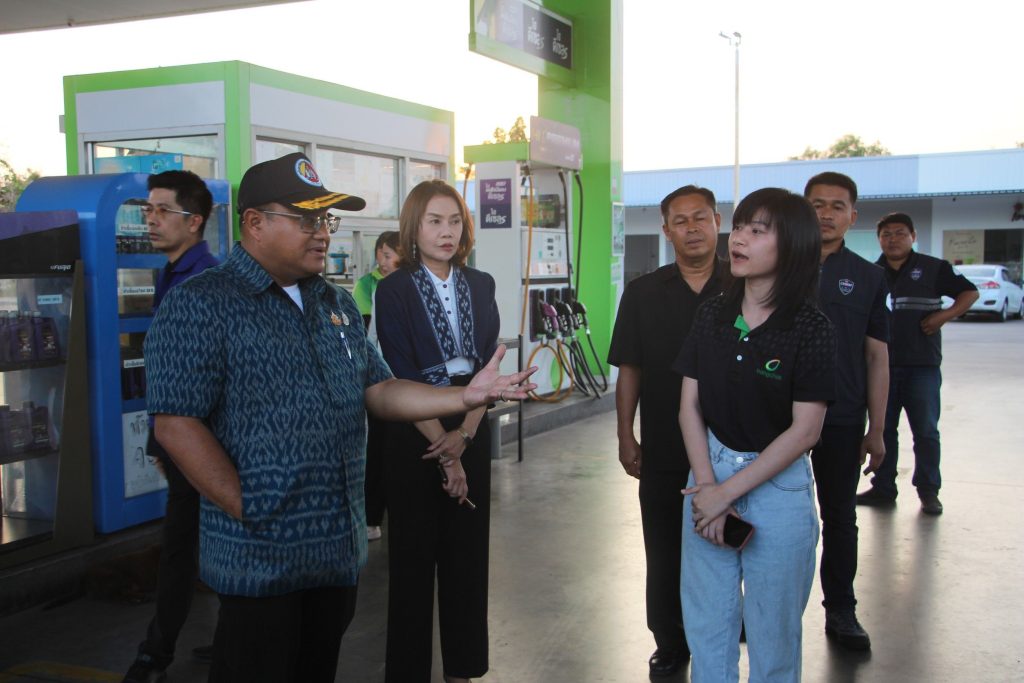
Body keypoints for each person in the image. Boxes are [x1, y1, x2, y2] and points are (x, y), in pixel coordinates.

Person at [143, 154, 534, 683]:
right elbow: (175, 423)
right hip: (260, 562)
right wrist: (247, 506)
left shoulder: (336, 306)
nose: (323, 232)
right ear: (254, 223)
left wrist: (464, 399)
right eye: (306, 219)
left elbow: (381, 389)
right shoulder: (202, 303)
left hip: (334, 558)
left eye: (325, 219)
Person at [674, 187, 836, 682]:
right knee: (708, 628)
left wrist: (725, 494)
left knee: (774, 636)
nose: (738, 238)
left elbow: (806, 431)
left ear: (792, 244)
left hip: (778, 488)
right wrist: (708, 486)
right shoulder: (713, 313)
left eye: (757, 230)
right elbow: (689, 406)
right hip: (708, 473)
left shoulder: (810, 327)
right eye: (739, 227)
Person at [374, 180, 499, 683]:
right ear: (413, 228)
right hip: (414, 436)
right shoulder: (393, 290)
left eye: (454, 222)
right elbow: (398, 374)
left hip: (471, 429)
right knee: (411, 564)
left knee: (467, 559)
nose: (446, 232)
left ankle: (462, 670)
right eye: (434, 222)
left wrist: (464, 438)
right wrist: (446, 452)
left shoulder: (482, 284)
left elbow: (488, 369)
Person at [607, 185, 730, 677]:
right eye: (680, 221)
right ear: (666, 231)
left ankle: (722, 628)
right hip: (663, 444)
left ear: (718, 221)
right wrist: (625, 435)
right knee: (663, 548)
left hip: (733, 447)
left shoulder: (745, 285)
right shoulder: (643, 293)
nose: (692, 228)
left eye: (700, 217)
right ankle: (670, 640)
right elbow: (629, 368)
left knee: (729, 544)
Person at [124, 169, 219, 683]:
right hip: (180, 439)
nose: (151, 219)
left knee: (190, 545)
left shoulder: (208, 281)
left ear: (195, 221)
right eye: (148, 209)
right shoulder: (172, 273)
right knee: (188, 544)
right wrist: (158, 439)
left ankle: (156, 654)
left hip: (206, 442)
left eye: (163, 211)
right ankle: (168, 648)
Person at [803, 172, 889, 651]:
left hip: (841, 418)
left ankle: (841, 610)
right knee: (767, 514)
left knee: (839, 517)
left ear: (853, 216)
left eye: (837, 206)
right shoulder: (775, 265)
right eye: (817, 204)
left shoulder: (869, 277)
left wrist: (877, 429)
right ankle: (759, 606)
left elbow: (877, 357)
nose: (826, 214)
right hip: (776, 417)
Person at [857, 212, 978, 515]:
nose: (893, 239)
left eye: (900, 233)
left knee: (925, 431)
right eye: (886, 234)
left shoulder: (934, 268)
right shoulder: (871, 273)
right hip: (882, 368)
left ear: (913, 236)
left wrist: (944, 315)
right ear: (879, 239)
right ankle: (883, 488)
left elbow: (969, 293)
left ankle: (928, 490)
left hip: (922, 366)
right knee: (883, 430)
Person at [352, 231, 400, 541]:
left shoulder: (409, 284)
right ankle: (371, 516)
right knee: (379, 447)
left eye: (391, 255)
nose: (385, 261)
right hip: (382, 379)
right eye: (382, 254)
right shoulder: (368, 286)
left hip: (408, 379)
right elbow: (366, 334)